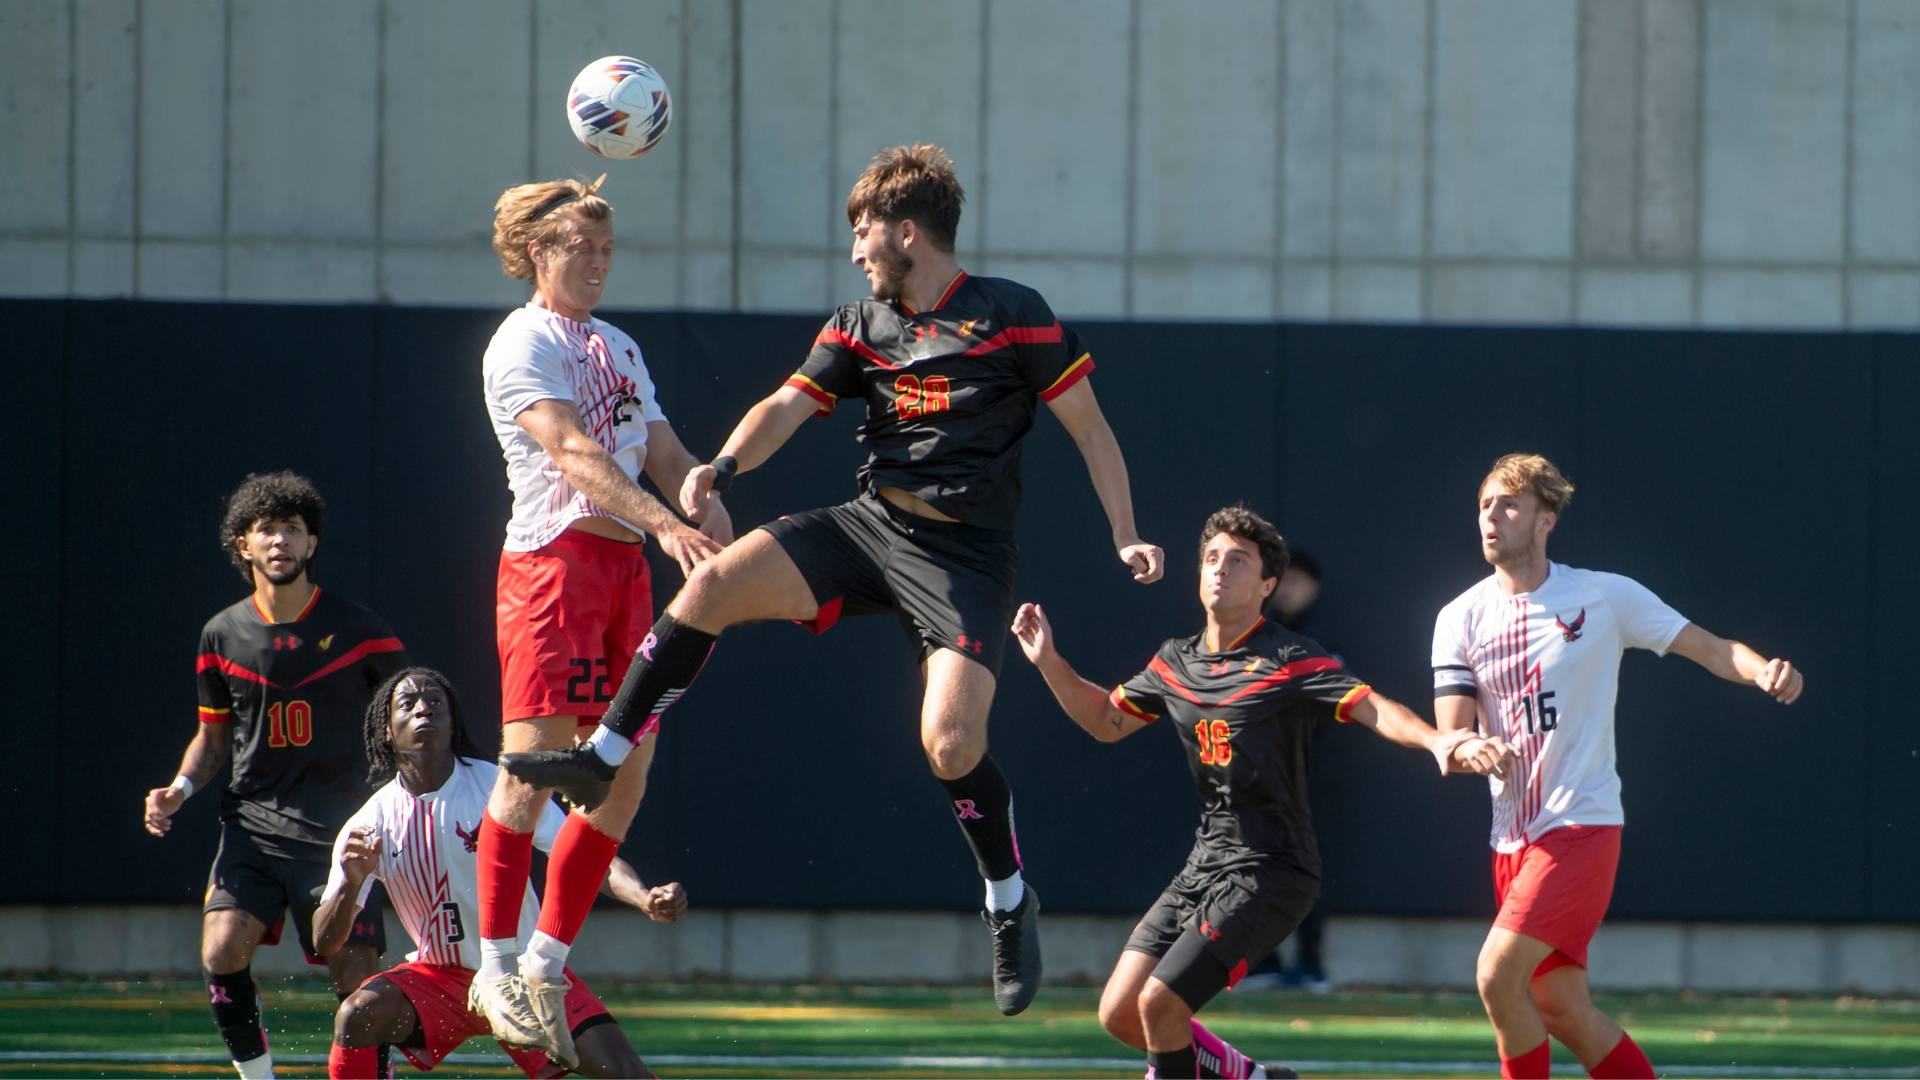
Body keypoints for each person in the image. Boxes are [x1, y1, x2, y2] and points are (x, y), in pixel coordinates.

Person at [502, 144, 1166, 1019]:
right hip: (869, 527)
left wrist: (1125, 531)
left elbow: (1092, 429)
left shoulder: (1014, 315)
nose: (855, 251)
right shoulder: (859, 324)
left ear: (906, 232)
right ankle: (602, 757)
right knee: (706, 588)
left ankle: (1009, 899)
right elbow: (785, 404)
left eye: (863, 233)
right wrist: (723, 467)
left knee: (951, 748)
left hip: (963, 559)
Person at [1012, 506, 1512, 1079]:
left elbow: (1373, 707)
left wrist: (1438, 740)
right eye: (1211, 558)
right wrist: (1049, 661)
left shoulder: (1289, 657)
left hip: (1274, 870)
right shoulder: (1175, 661)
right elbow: (1104, 719)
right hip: (1204, 865)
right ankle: (1249, 1077)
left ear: (1267, 584)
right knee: (1122, 1013)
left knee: (1160, 1005)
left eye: (1238, 560)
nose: (1220, 569)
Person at [1432, 454, 1804, 1080]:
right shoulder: (1458, 616)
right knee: (1562, 1007)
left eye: (1509, 504)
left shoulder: (1602, 595)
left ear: (1546, 520)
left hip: (1581, 828)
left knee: (1496, 976)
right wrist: (1468, 748)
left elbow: (1710, 648)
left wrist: (1762, 668)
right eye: (1484, 504)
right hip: (1510, 839)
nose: (1490, 516)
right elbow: (1452, 730)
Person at [472, 174, 729, 1062]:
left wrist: (699, 498)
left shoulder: (617, 341)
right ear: (539, 251)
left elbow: (659, 447)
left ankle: (546, 961)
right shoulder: (521, 341)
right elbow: (575, 451)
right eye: (583, 246)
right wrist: (668, 526)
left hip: (623, 572)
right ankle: (494, 961)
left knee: (627, 772)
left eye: (608, 249)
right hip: (554, 565)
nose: (599, 261)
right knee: (535, 764)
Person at [143, 472, 410, 1080]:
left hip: (341, 834)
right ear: (244, 544)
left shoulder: (360, 628)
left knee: (358, 976)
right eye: (267, 530)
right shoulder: (220, 635)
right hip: (253, 828)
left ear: (312, 543)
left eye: (293, 529)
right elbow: (212, 738)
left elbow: (414, 708)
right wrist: (179, 789)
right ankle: (258, 1078)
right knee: (220, 950)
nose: (281, 541)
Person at [317, 668, 685, 1079]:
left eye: (436, 702)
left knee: (627, 1073)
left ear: (452, 721)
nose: (424, 710)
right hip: (442, 979)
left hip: (524, 971)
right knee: (357, 1014)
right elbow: (325, 941)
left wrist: (643, 897)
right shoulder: (370, 824)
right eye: (409, 704)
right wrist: (350, 883)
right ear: (386, 730)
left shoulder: (500, 787)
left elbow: (585, 856)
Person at [1238, 550, 1333, 993]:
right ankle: (1266, 961)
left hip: (1308, 779)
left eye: (1299, 581)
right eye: (1284, 581)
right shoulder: (1257, 636)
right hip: (1258, 777)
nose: (1290, 590)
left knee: (1305, 869)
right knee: (1256, 865)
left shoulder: (1322, 642)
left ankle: (1309, 964)